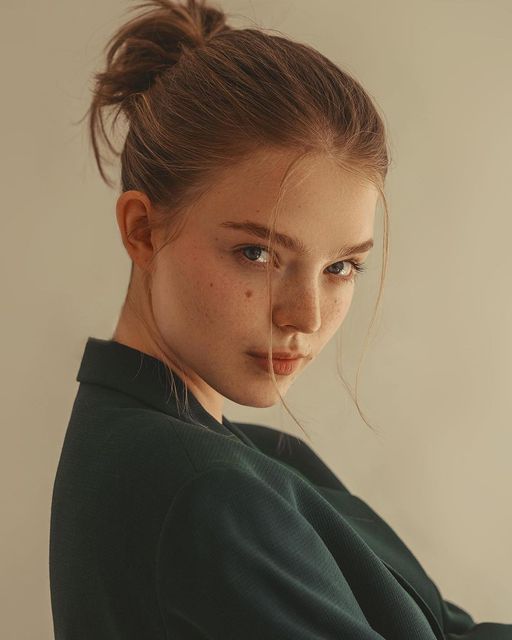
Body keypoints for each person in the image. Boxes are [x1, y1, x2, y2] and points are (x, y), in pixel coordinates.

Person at [49, 1, 511, 638]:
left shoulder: (250, 456)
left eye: (342, 266)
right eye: (258, 253)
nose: (306, 315)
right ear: (143, 230)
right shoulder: (204, 492)